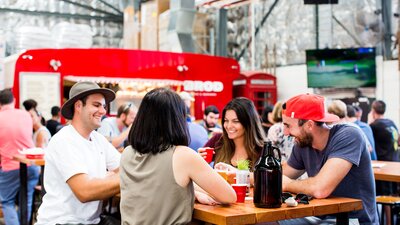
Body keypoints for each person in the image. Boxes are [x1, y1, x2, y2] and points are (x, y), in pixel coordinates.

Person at [120, 88, 236, 225]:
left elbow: (160, 186)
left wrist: (195, 193)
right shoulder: (183, 155)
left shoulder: (127, 153)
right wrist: (196, 193)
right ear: (177, 120)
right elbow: (229, 196)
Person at [281, 93, 378, 225]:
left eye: (288, 126)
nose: (285, 133)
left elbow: (320, 189)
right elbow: (281, 173)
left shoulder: (349, 135)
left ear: (309, 125)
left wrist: (286, 184)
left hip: (353, 220)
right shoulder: (303, 143)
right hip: (319, 217)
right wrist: (248, 175)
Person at [35, 81, 121, 225]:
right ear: (78, 106)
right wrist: (122, 177)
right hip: (61, 222)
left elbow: (124, 167)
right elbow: (85, 192)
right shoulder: (64, 140)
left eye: (104, 106)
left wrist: (114, 176)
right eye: (96, 105)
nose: (103, 111)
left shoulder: (98, 139)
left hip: (91, 221)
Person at [0, 89, 40, 225]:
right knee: (26, 201)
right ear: (14, 100)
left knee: (7, 201)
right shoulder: (25, 115)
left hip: (10, 166)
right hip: (31, 164)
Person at [200, 97, 265, 170]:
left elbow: (269, 178)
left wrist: (236, 173)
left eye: (236, 121)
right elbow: (198, 168)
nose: (228, 126)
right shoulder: (218, 140)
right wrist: (199, 160)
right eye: (226, 120)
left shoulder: (262, 149)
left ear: (249, 123)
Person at [369, 100, 399, 197]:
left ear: (373, 111)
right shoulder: (391, 122)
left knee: (386, 194)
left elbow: (368, 141)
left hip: (383, 166)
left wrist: (369, 122)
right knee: (394, 193)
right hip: (395, 162)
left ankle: (388, 213)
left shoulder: (374, 125)